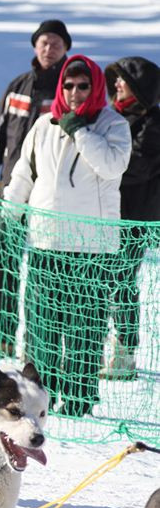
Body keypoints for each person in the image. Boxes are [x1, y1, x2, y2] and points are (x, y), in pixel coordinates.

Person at [3, 55, 132, 416]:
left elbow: (112, 165)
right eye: (68, 86)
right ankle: (40, 396)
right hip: (47, 242)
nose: (74, 93)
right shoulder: (44, 125)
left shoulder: (113, 125)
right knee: (42, 324)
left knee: (83, 327)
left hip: (90, 246)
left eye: (83, 86)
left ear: (96, 88)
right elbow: (24, 174)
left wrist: (79, 129)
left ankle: (77, 400)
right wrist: (10, 213)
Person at [0, 20, 71, 357]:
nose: (49, 48)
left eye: (56, 43)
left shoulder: (70, 87)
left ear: (66, 48)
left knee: (46, 272)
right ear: (34, 46)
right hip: (12, 189)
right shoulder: (18, 86)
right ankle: (0, 336)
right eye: (43, 42)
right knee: (4, 265)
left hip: (50, 196)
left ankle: (40, 344)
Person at [101, 57, 160, 379]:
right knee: (96, 281)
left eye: (124, 80)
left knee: (121, 282)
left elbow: (136, 166)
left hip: (133, 217)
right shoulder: (111, 116)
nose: (117, 85)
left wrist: (99, 168)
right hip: (103, 214)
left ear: (139, 87)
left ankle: (125, 353)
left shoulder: (154, 122)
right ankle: (95, 346)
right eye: (116, 80)